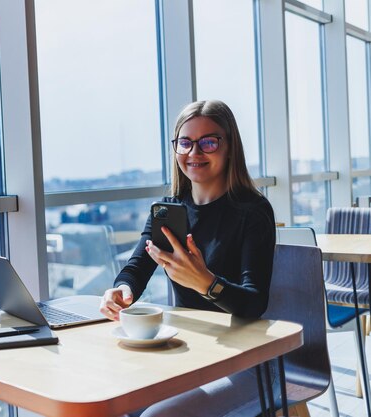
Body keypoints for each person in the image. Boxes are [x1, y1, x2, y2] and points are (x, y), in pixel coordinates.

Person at [100, 100, 276, 416]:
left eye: (209, 142)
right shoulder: (167, 211)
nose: (194, 152)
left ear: (229, 147)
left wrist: (207, 283)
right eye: (185, 142)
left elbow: (254, 304)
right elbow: (137, 267)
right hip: (187, 348)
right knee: (111, 399)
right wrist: (122, 290)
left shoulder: (253, 212)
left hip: (244, 357)